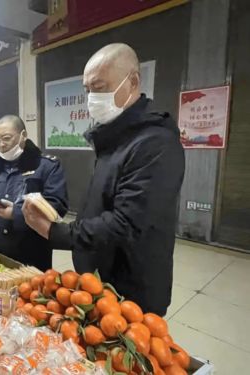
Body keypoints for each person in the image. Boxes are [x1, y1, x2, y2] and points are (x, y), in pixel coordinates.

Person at [22, 43, 185, 315]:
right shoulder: (116, 139)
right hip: (101, 280)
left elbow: (127, 222)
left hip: (132, 286)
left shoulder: (155, 144)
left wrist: (56, 231)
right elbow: (102, 205)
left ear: (132, 82)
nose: (91, 98)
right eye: (87, 90)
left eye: (99, 87)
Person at [0, 115, 68, 270]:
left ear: (23, 135)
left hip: (32, 249)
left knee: (32, 293)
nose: (1, 145)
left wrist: (16, 213)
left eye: (7, 138)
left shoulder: (46, 166)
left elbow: (57, 207)